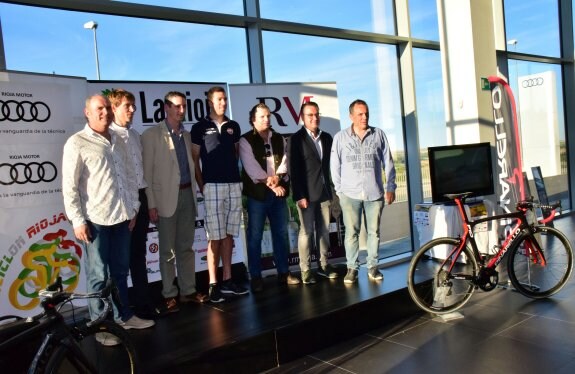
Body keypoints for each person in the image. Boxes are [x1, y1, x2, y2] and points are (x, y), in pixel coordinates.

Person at [62, 94, 154, 346]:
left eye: (106, 108)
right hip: (95, 221)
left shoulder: (118, 140)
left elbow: (130, 179)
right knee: (98, 276)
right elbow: (69, 187)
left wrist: (133, 209)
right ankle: (100, 327)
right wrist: (77, 220)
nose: (105, 112)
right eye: (99, 109)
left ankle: (124, 317)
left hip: (122, 218)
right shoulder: (76, 142)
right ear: (87, 113)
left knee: (121, 272)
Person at [141, 91, 209, 313]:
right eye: (177, 107)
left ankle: (188, 290)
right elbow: (147, 175)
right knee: (167, 252)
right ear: (166, 107)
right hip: (164, 200)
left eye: (184, 107)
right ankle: (169, 294)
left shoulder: (186, 135)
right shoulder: (151, 135)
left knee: (186, 248)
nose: (181, 111)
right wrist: (151, 204)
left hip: (188, 195)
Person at [108, 89, 163, 319]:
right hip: (121, 202)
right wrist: (128, 208)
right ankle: (122, 311)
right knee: (120, 261)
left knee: (139, 255)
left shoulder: (136, 135)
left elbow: (142, 175)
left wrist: (147, 202)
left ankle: (143, 305)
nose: (132, 109)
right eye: (127, 106)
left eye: (133, 105)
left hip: (140, 198)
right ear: (114, 108)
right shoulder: (108, 137)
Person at [191, 86, 248, 303]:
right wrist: (202, 184)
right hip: (212, 186)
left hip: (233, 185)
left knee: (229, 235)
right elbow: (195, 159)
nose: (223, 103)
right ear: (209, 102)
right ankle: (213, 284)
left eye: (224, 99)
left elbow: (234, 155)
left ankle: (228, 280)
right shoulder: (199, 127)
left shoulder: (234, 126)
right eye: (218, 99)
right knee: (214, 237)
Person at [330, 99, 396, 284]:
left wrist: (390, 187)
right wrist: (340, 191)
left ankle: (373, 267)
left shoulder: (378, 135)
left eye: (366, 113)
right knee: (351, 233)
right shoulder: (340, 138)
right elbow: (334, 166)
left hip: (374, 194)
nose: (364, 117)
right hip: (349, 195)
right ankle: (352, 268)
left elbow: (388, 163)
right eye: (360, 114)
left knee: (374, 232)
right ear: (351, 116)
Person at [239, 103, 301, 292]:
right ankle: (256, 277)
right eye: (262, 117)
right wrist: (273, 185)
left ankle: (284, 272)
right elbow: (251, 169)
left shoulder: (279, 138)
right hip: (258, 196)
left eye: (268, 116)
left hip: (278, 195)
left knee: (281, 234)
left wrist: (278, 178)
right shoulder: (245, 140)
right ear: (253, 119)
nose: (267, 119)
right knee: (255, 236)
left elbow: (284, 162)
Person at [287, 101, 338, 284]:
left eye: (316, 114)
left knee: (324, 231)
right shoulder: (296, 139)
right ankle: (305, 270)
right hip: (306, 195)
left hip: (324, 193)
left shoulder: (326, 137)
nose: (314, 118)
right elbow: (293, 170)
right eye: (310, 115)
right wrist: (299, 195)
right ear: (302, 117)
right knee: (306, 232)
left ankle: (324, 265)